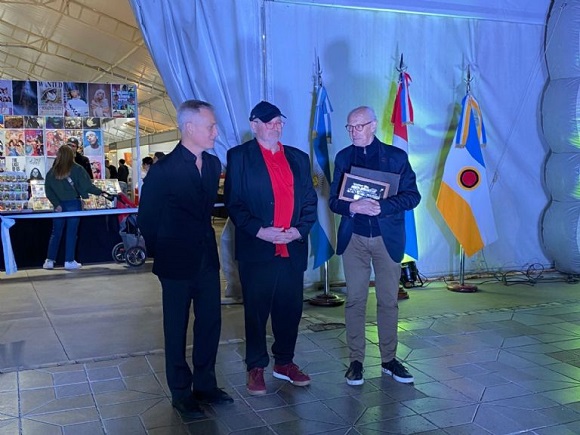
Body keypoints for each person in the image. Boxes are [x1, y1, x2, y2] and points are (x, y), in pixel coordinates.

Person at [138, 99, 233, 420]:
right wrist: (164, 252)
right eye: (211, 126)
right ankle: (181, 392)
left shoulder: (213, 165)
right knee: (176, 328)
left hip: (206, 259)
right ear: (190, 128)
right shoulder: (164, 170)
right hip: (175, 262)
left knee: (210, 323)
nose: (216, 132)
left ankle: (205, 384)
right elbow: (147, 219)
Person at [224, 101, 317, 396]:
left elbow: (310, 201)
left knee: (290, 309)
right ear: (254, 126)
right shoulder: (239, 157)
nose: (276, 126)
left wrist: (299, 231)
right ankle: (255, 366)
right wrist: (260, 231)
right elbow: (234, 203)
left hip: (292, 248)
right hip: (258, 249)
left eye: (279, 121)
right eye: (269, 122)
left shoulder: (299, 158)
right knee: (256, 311)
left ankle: (284, 362)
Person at [329, 106, 421, 386]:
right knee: (355, 300)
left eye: (359, 126)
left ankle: (389, 360)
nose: (353, 132)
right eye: (349, 127)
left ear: (373, 125)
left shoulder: (396, 157)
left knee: (388, 302)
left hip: (386, 239)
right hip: (354, 239)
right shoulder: (343, 157)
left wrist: (382, 207)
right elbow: (333, 201)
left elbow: (413, 196)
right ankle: (356, 362)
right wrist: (352, 207)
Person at [43, 145, 108, 270]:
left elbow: (48, 191)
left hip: (58, 206)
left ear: (58, 155)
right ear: (71, 155)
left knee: (56, 233)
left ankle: (49, 261)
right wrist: (101, 192)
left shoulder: (51, 172)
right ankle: (69, 261)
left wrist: (56, 204)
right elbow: (87, 186)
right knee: (71, 233)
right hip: (73, 204)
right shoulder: (78, 169)